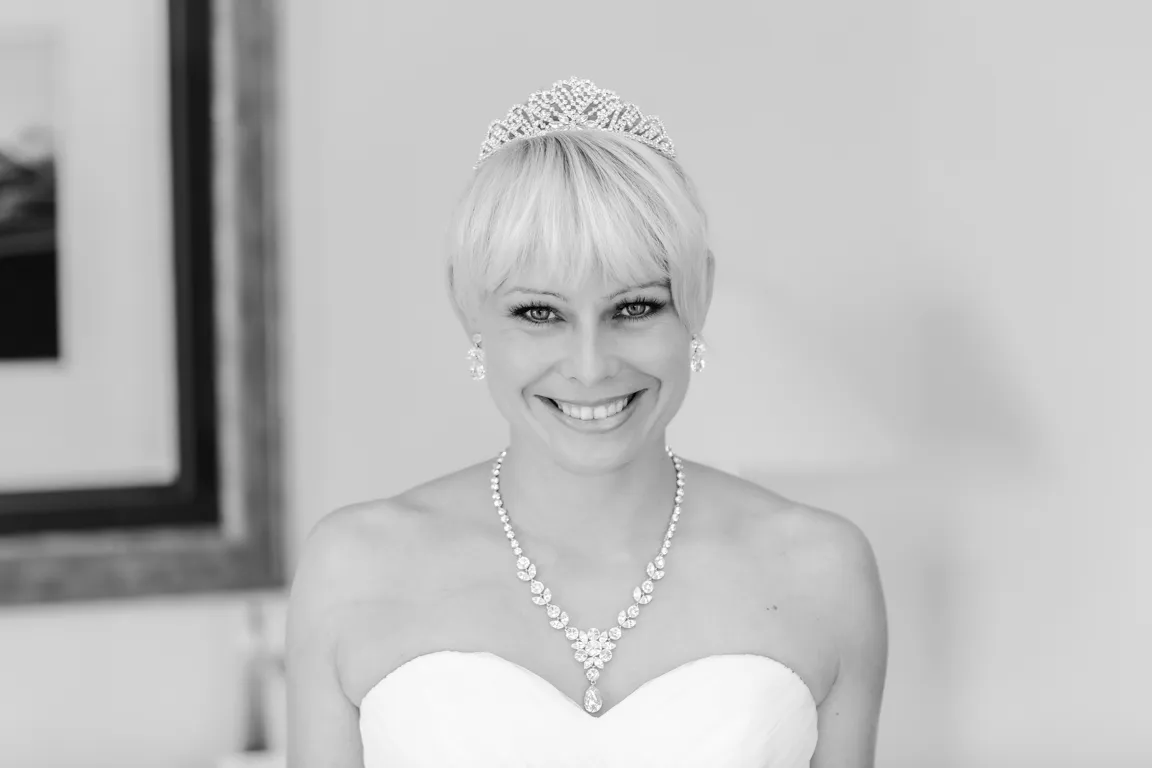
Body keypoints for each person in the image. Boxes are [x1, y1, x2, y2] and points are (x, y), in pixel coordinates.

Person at [286, 77, 888, 767]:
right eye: (540, 313)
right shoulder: (353, 567)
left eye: (635, 308)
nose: (592, 365)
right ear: (467, 307)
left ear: (699, 297)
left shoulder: (821, 570)